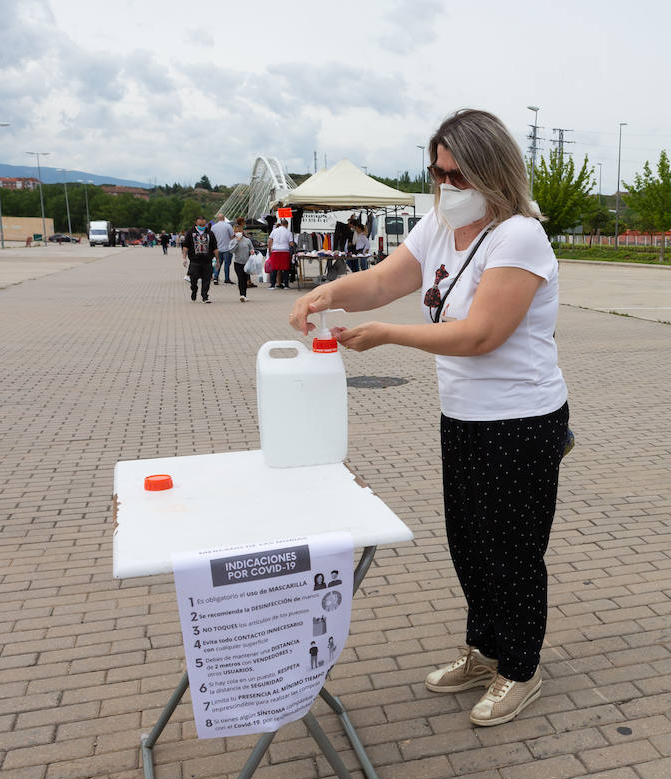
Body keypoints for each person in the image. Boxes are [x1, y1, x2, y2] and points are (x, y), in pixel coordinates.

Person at [289, 108, 568, 727]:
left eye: (457, 175)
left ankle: (520, 668)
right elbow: (384, 280)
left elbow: (481, 336)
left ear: (491, 173)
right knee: (469, 542)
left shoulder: (519, 237)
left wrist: (389, 334)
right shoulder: (440, 223)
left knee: (514, 549)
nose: (445, 186)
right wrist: (328, 293)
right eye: (438, 172)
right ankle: (483, 649)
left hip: (521, 419)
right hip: (465, 416)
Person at [181, 215, 219, 302]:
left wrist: (217, 260)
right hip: (195, 260)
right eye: (200, 224)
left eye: (203, 225)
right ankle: (194, 290)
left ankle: (204, 296)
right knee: (193, 278)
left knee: (207, 279)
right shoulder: (190, 232)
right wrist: (184, 258)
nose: (202, 226)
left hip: (207, 260)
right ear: (196, 223)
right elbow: (186, 246)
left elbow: (215, 248)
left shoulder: (210, 233)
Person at [268, 218, 294, 289]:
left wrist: (269, 250)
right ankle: (286, 285)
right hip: (285, 251)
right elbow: (291, 244)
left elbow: (270, 240)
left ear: (281, 224)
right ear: (286, 225)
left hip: (275, 251)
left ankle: (272, 285)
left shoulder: (274, 231)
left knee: (274, 268)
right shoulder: (288, 232)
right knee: (285, 269)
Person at [231, 225, 255, 302]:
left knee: (245, 279)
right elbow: (231, 250)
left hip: (247, 263)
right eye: (236, 232)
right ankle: (242, 294)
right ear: (234, 232)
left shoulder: (247, 240)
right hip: (237, 263)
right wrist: (237, 242)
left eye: (240, 231)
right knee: (240, 278)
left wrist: (252, 251)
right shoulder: (233, 241)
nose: (238, 233)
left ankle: (244, 295)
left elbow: (251, 247)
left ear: (242, 232)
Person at [210, 214, 235, 284]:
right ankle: (227, 279)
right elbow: (233, 236)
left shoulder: (213, 227)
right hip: (227, 248)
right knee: (227, 264)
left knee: (218, 263)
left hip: (217, 249)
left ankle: (215, 278)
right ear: (224, 218)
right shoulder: (228, 226)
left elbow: (211, 238)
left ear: (218, 219)